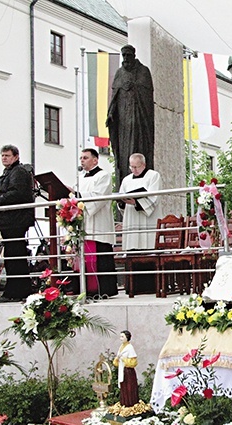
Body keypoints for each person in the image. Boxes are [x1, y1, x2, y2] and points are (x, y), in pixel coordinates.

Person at [0, 145, 34, 303]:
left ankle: (16, 291)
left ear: (16, 156)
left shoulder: (18, 172)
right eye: (2, 155)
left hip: (15, 221)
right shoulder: (10, 173)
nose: (4, 158)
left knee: (15, 256)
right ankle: (16, 289)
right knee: (12, 256)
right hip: (10, 221)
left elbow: (16, 194)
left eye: (7, 155)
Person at [106, 44, 155, 191]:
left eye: (128, 55)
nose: (126, 58)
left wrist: (134, 86)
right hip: (122, 121)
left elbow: (147, 94)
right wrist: (110, 113)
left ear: (133, 55)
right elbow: (114, 96)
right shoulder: (119, 73)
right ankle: (126, 173)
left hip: (139, 119)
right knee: (123, 152)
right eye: (124, 55)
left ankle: (140, 168)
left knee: (137, 145)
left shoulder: (143, 71)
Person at [75, 148, 118, 297]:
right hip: (83, 224)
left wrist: (78, 196)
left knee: (101, 257)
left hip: (99, 224)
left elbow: (98, 198)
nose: (82, 160)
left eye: (85, 158)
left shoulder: (103, 176)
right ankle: (86, 289)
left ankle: (104, 290)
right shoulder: (80, 178)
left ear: (95, 160)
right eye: (81, 158)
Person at [118, 153, 163, 250]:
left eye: (136, 167)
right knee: (132, 247)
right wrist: (122, 202)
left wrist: (136, 203)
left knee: (148, 246)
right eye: (131, 167)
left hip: (147, 219)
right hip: (131, 217)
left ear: (143, 165)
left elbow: (154, 198)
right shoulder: (126, 180)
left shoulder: (153, 176)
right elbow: (121, 196)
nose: (134, 170)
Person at [113, 330, 139, 408]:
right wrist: (117, 359)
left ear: (127, 338)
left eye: (122, 337)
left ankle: (131, 404)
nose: (120, 338)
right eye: (120, 336)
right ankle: (124, 403)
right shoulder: (121, 347)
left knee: (129, 387)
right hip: (122, 370)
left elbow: (134, 362)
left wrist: (125, 360)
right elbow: (117, 361)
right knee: (123, 387)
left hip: (128, 371)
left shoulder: (130, 348)